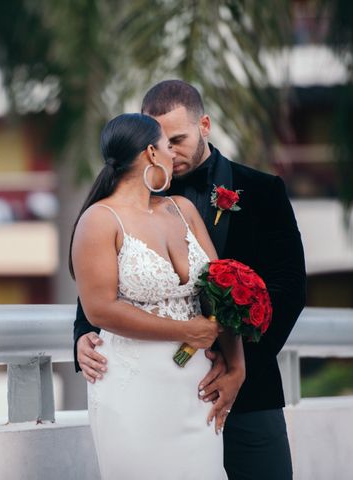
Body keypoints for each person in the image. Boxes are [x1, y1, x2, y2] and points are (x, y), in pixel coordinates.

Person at [74, 80, 306, 480]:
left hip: (249, 385)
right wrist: (83, 333)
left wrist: (237, 365)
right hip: (154, 388)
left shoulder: (263, 190)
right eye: (162, 140)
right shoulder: (126, 203)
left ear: (205, 125)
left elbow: (288, 288)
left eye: (177, 138)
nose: (172, 149)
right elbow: (102, 287)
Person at [70, 112, 245, 479]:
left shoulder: (181, 209)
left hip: (196, 385)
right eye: (167, 146)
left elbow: (222, 286)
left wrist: (235, 366)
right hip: (134, 386)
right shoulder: (99, 220)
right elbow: (100, 309)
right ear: (151, 153)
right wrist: (185, 332)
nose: (173, 155)